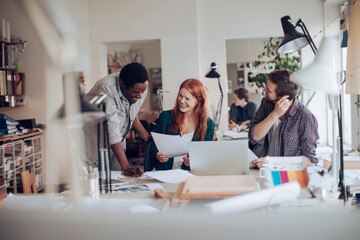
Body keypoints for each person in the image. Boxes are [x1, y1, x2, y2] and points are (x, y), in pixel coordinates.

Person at [86, 62, 151, 177]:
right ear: (122, 84)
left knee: (116, 181)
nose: (141, 96)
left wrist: (146, 136)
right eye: (136, 92)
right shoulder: (106, 89)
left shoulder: (140, 89)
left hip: (116, 144)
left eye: (143, 91)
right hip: (91, 142)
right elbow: (112, 129)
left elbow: (129, 113)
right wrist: (126, 166)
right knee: (92, 181)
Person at [248, 69, 319, 169]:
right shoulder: (266, 104)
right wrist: (274, 115)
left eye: (269, 90)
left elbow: (309, 159)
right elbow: (254, 137)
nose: (264, 90)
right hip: (256, 167)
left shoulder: (305, 117)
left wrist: (272, 163)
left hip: (284, 172)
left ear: (283, 97)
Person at [149, 78, 215, 170]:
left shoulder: (208, 124)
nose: (182, 101)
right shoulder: (165, 117)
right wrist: (157, 155)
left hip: (190, 173)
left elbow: (206, 156)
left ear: (198, 101)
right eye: (180, 96)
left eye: (187, 98)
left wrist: (193, 161)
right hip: (164, 171)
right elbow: (153, 147)